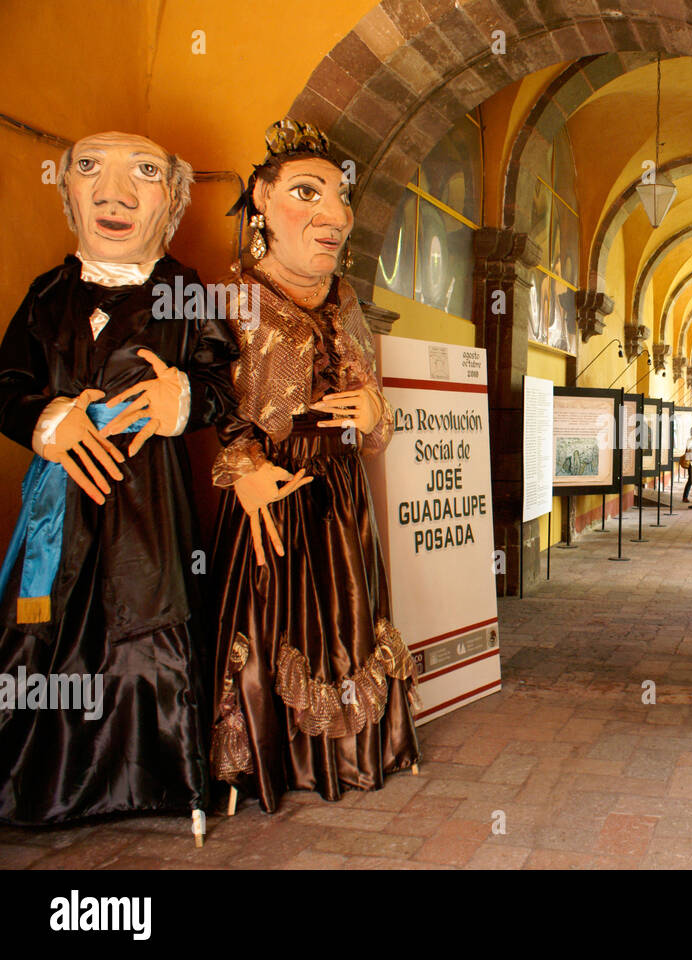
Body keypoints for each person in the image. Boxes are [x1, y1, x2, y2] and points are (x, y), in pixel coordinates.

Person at [0, 131, 240, 843]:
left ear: (171, 202)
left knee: (150, 625)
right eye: (89, 170)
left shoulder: (184, 291)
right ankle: (37, 784)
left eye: (142, 173)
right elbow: (7, 383)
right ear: (68, 191)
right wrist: (44, 420)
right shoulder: (47, 293)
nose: (113, 192)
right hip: (60, 499)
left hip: (148, 502)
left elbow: (222, 384)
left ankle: (162, 778)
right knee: (45, 628)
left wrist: (185, 403)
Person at [209, 119, 420, 815]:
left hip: (341, 493)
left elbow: (378, 409)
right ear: (261, 202)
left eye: (340, 199)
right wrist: (242, 467)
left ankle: (354, 753)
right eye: (308, 193)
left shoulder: (346, 302)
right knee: (274, 626)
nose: (334, 216)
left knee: (349, 621)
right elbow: (214, 407)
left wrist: (373, 416)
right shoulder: (232, 303)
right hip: (272, 494)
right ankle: (270, 758)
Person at [680, 424, 692, 503]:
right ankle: (685, 497)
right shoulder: (689, 440)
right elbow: (687, 450)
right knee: (690, 479)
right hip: (690, 462)